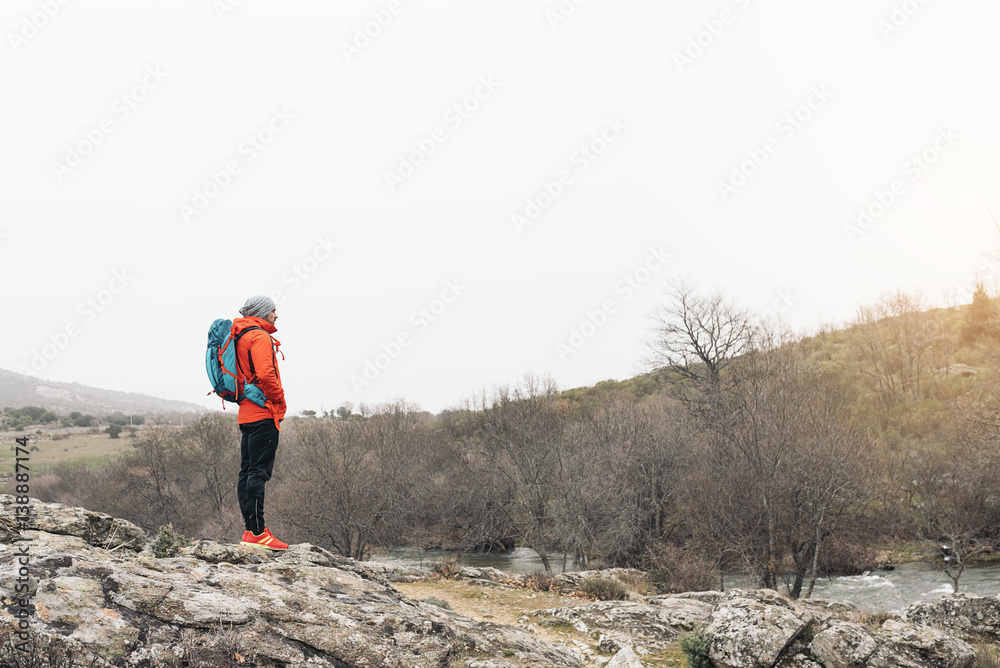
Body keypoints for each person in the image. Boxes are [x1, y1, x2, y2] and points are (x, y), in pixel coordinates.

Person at [232, 295, 289, 550]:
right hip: (263, 413)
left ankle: (251, 531)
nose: (276, 315)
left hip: (246, 413)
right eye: (273, 311)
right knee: (258, 473)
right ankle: (258, 533)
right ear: (262, 312)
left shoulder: (241, 335)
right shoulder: (259, 336)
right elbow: (266, 374)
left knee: (247, 472)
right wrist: (279, 399)